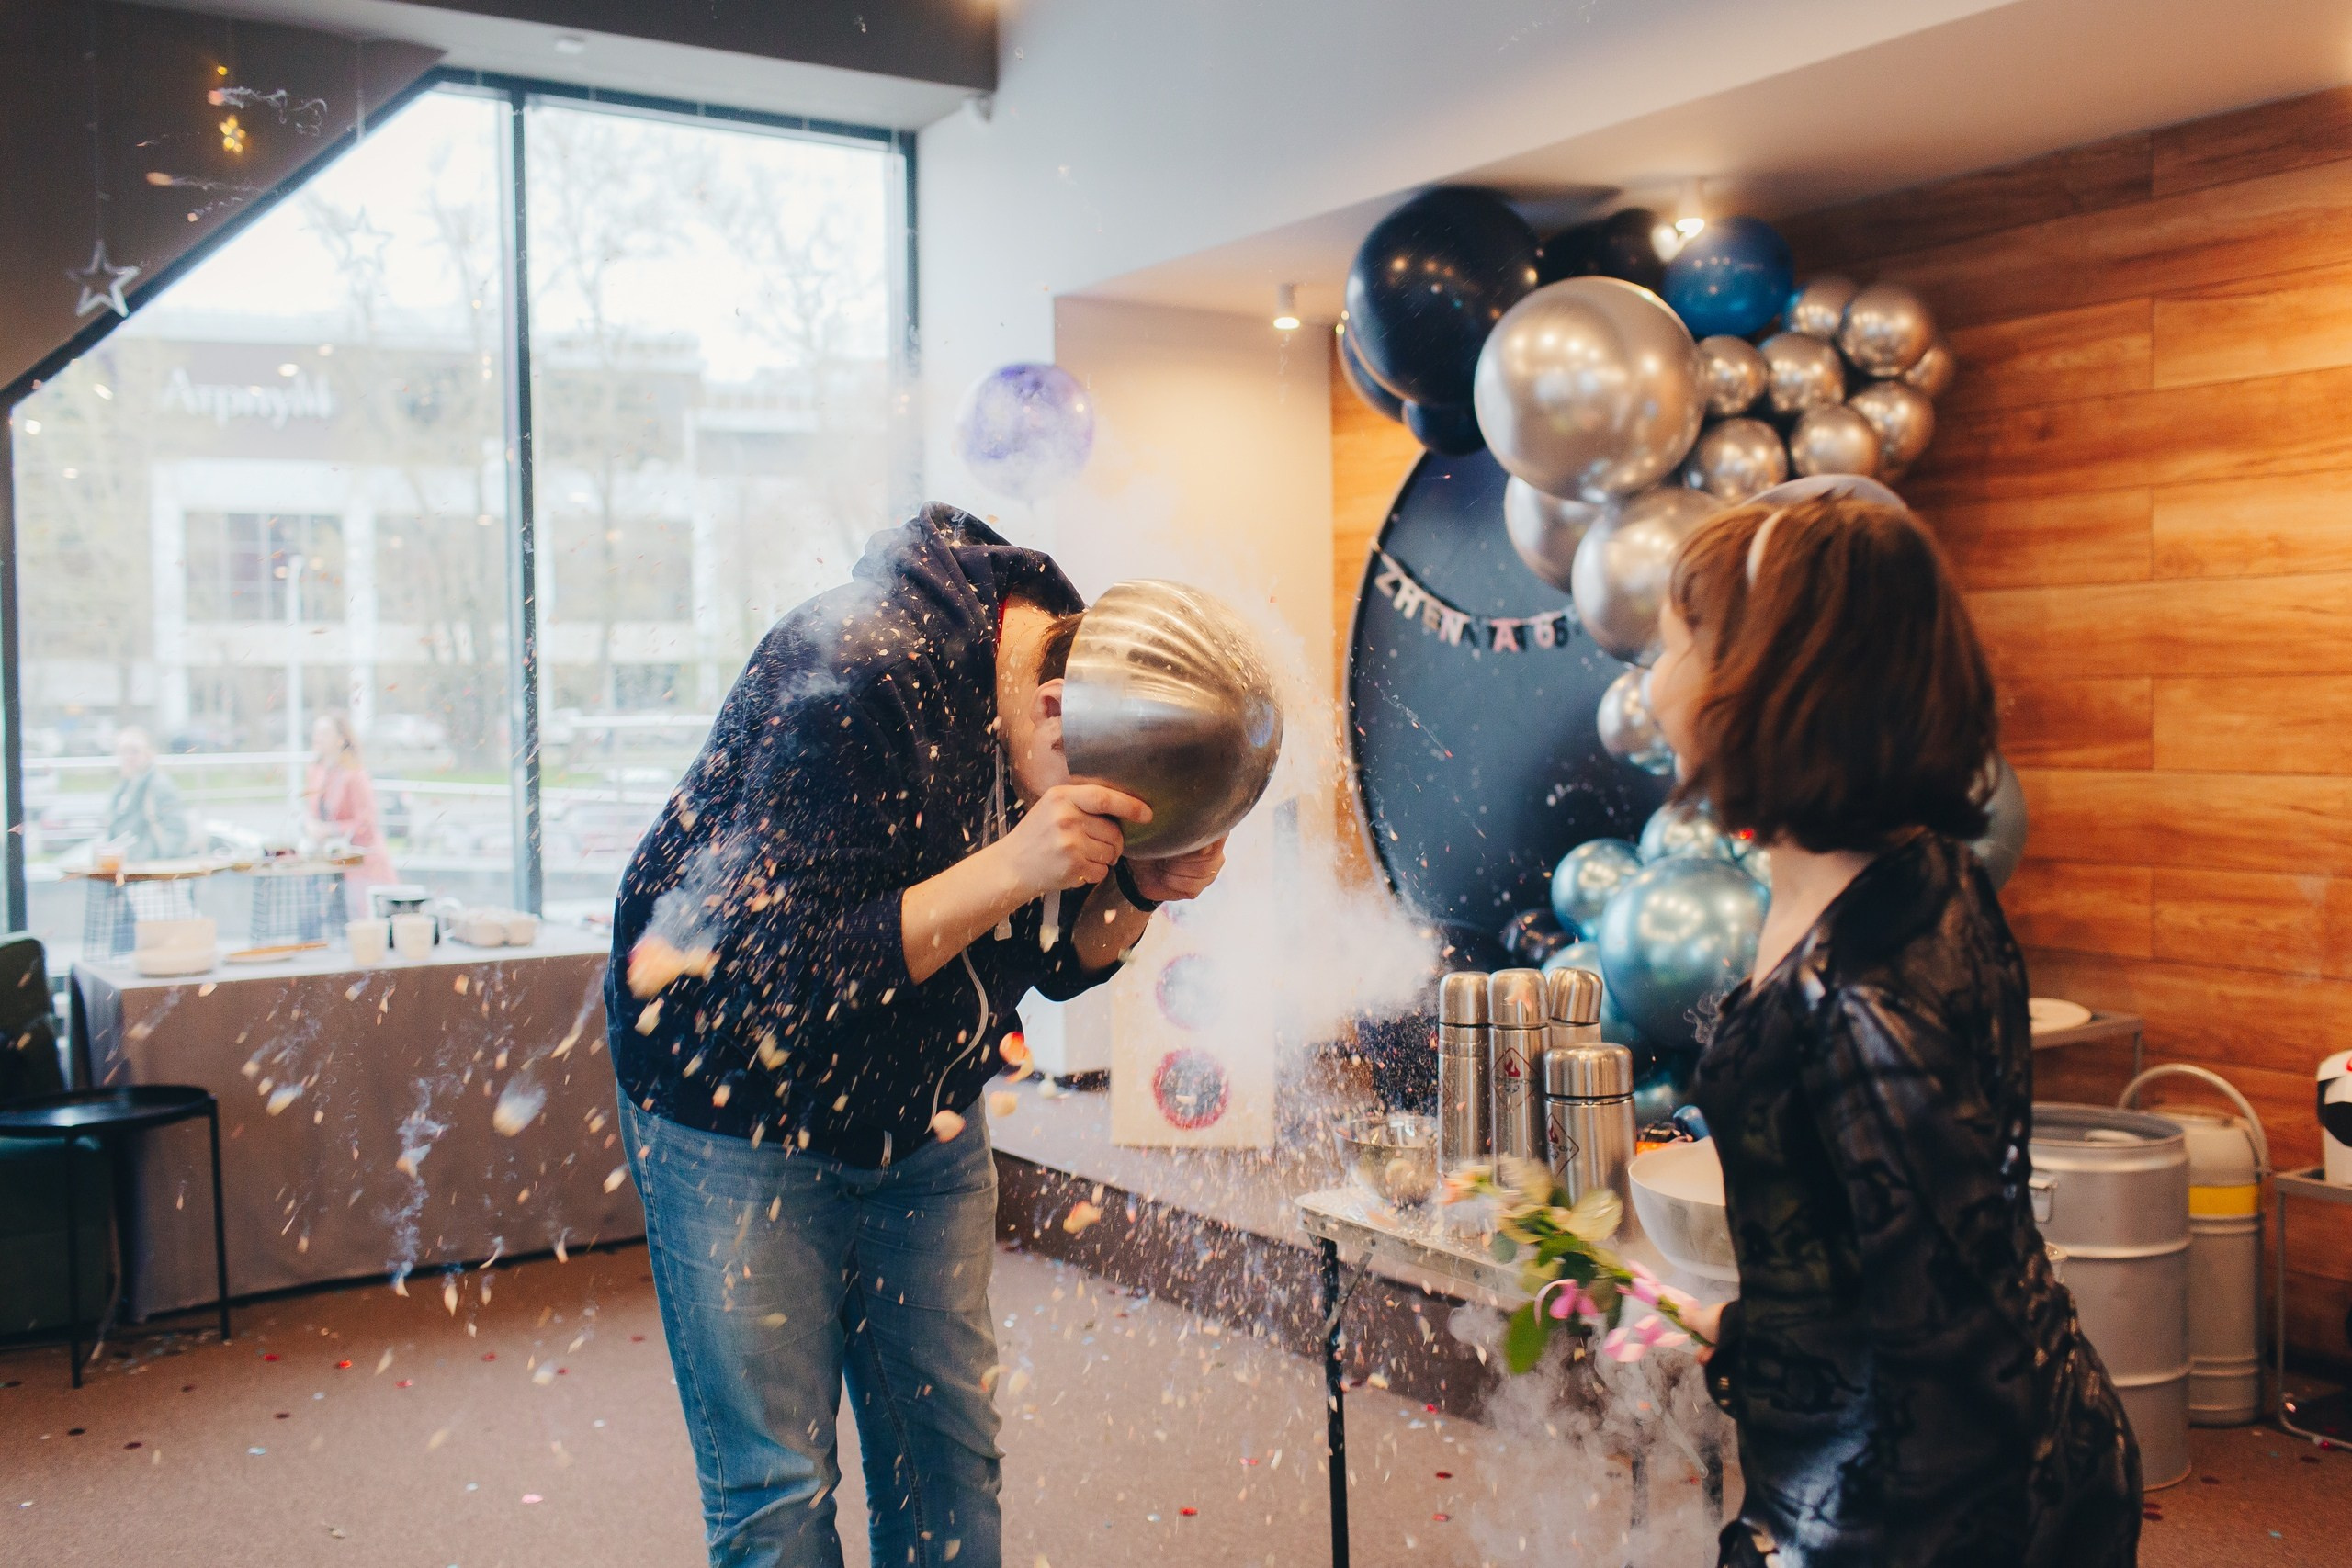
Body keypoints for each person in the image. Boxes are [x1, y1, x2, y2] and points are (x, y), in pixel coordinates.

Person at [606, 504, 1226, 1568]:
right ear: (1046, 708)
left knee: (947, 1458)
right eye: (1110, 827)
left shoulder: (1097, 711)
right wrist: (1018, 866)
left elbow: (1063, 959)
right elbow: (781, 976)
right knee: (779, 1489)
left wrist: (1143, 891)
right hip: (731, 1104)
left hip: (923, 1114)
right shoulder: (854, 670)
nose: (1107, 843)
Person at [1642, 495, 2139, 1568]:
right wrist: (1742, 1335)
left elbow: (1955, 1356)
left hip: (1910, 1510)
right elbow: (1891, 1250)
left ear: (1766, 675)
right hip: (1934, 1444)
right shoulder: (1909, 870)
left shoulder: (1865, 998)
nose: (1651, 680)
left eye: (1674, 640)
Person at [303, 713, 396, 910]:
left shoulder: (355, 774)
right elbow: (313, 811)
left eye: (324, 733)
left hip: (361, 867)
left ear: (341, 739)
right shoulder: (316, 771)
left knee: (361, 923)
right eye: (316, 732)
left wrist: (330, 830)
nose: (317, 737)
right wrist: (310, 825)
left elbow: (366, 824)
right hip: (330, 865)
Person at [101, 727, 190, 862]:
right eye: (123, 751)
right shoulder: (126, 784)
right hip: (126, 865)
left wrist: (162, 865)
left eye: (134, 751)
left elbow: (177, 831)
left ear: (149, 753)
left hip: (146, 868)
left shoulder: (159, 785)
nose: (128, 757)